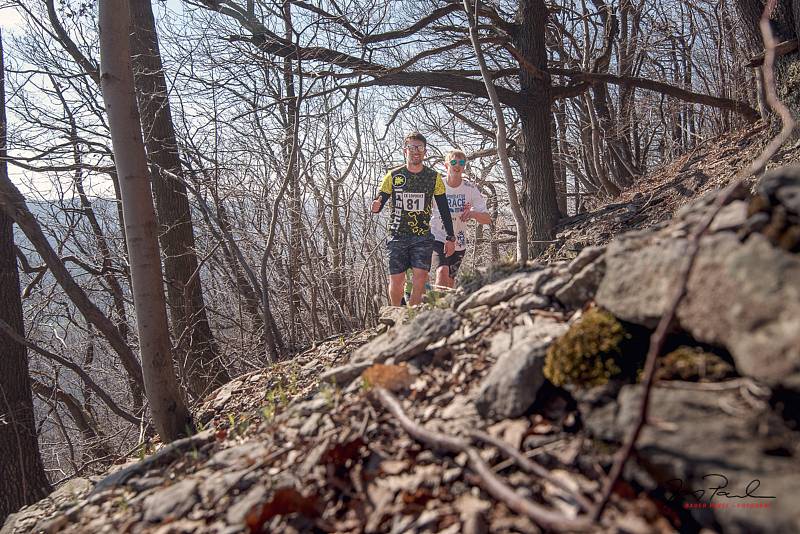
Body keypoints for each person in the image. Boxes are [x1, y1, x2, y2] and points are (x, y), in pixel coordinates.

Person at [371, 132, 456, 306]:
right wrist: (377, 203)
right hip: (398, 234)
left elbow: (444, 208)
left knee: (420, 277)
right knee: (397, 281)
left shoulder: (434, 178)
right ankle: (395, 315)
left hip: (422, 235)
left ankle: (411, 316)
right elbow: (381, 198)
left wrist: (450, 237)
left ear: (425, 152)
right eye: (412, 147)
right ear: (405, 151)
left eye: (420, 147)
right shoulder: (393, 175)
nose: (416, 151)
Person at [430, 150, 491, 288]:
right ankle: (437, 308)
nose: (457, 165)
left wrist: (473, 214)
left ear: (464, 167)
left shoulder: (470, 189)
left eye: (461, 163)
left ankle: (445, 307)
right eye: (453, 162)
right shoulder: (437, 185)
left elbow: (487, 219)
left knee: (450, 281)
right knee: (442, 272)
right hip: (438, 236)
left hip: (459, 240)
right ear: (446, 166)